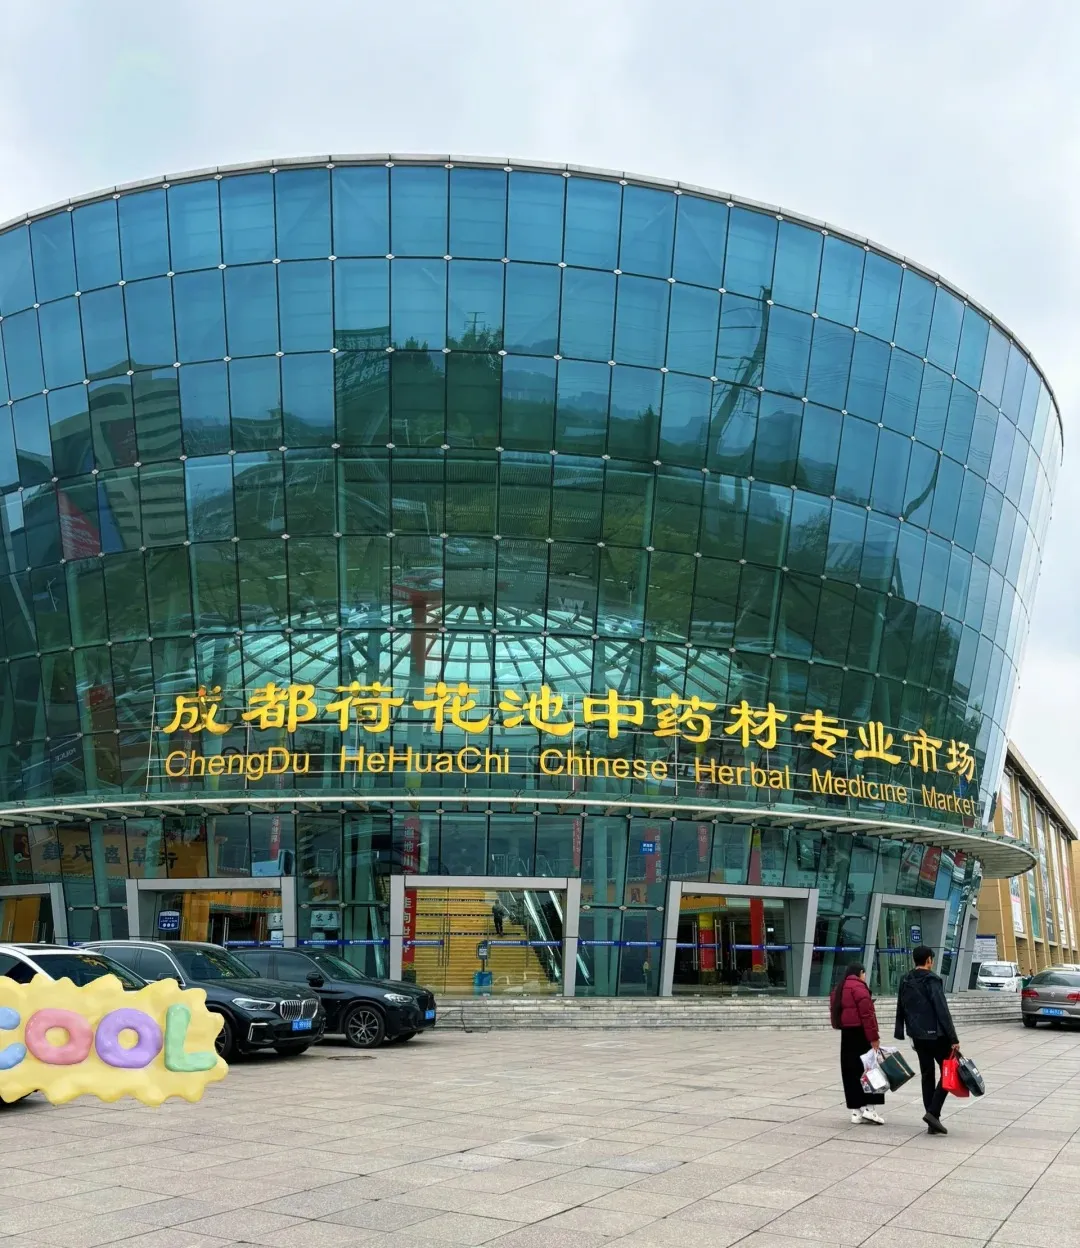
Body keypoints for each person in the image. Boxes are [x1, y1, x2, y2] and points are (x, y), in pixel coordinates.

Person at [895, 945, 959, 1136]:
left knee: (927, 1075)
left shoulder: (905, 979)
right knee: (950, 1071)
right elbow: (942, 1010)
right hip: (936, 1036)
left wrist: (904, 1031)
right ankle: (933, 1113)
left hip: (917, 1035)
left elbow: (901, 1006)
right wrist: (953, 1038)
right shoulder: (932, 980)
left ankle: (932, 1121)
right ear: (929, 960)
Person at [830, 963, 885, 1125]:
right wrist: (874, 1037)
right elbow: (867, 1015)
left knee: (850, 1072)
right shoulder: (859, 988)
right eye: (864, 973)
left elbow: (834, 1013)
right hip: (861, 1034)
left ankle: (856, 1112)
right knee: (870, 1070)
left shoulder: (838, 989)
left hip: (846, 1035)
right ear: (861, 973)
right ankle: (870, 1108)